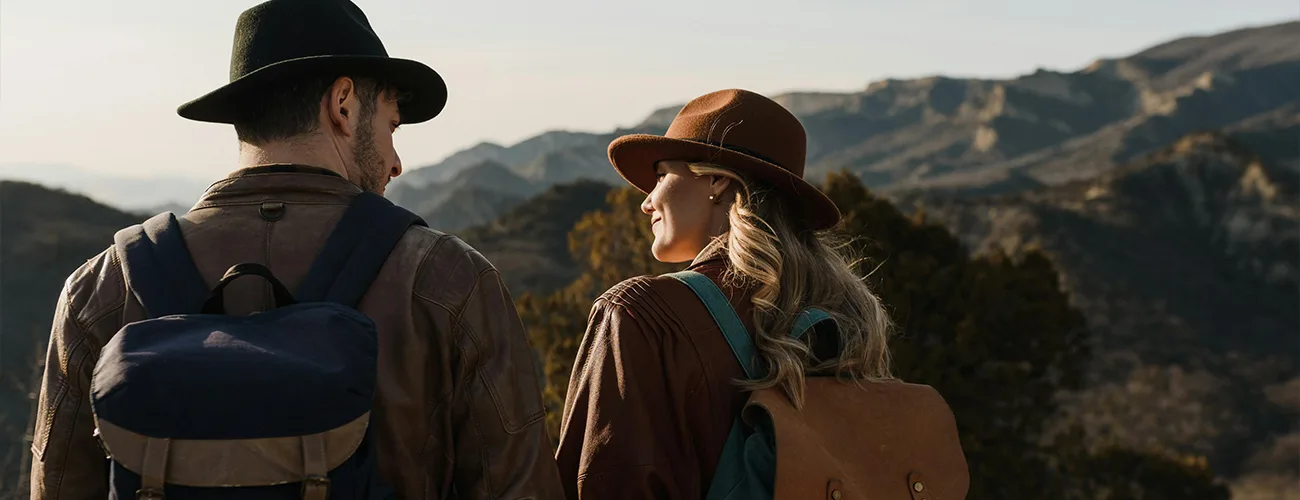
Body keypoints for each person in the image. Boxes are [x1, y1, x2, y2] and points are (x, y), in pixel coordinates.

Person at [28, 1, 564, 498]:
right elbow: (519, 488)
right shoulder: (447, 279)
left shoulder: (102, 287)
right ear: (344, 105)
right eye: (391, 127)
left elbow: (57, 486)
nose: (397, 163)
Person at [553, 88, 899, 499]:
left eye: (662, 175)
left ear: (716, 180)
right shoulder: (844, 320)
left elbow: (597, 483)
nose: (647, 202)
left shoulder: (640, 315)